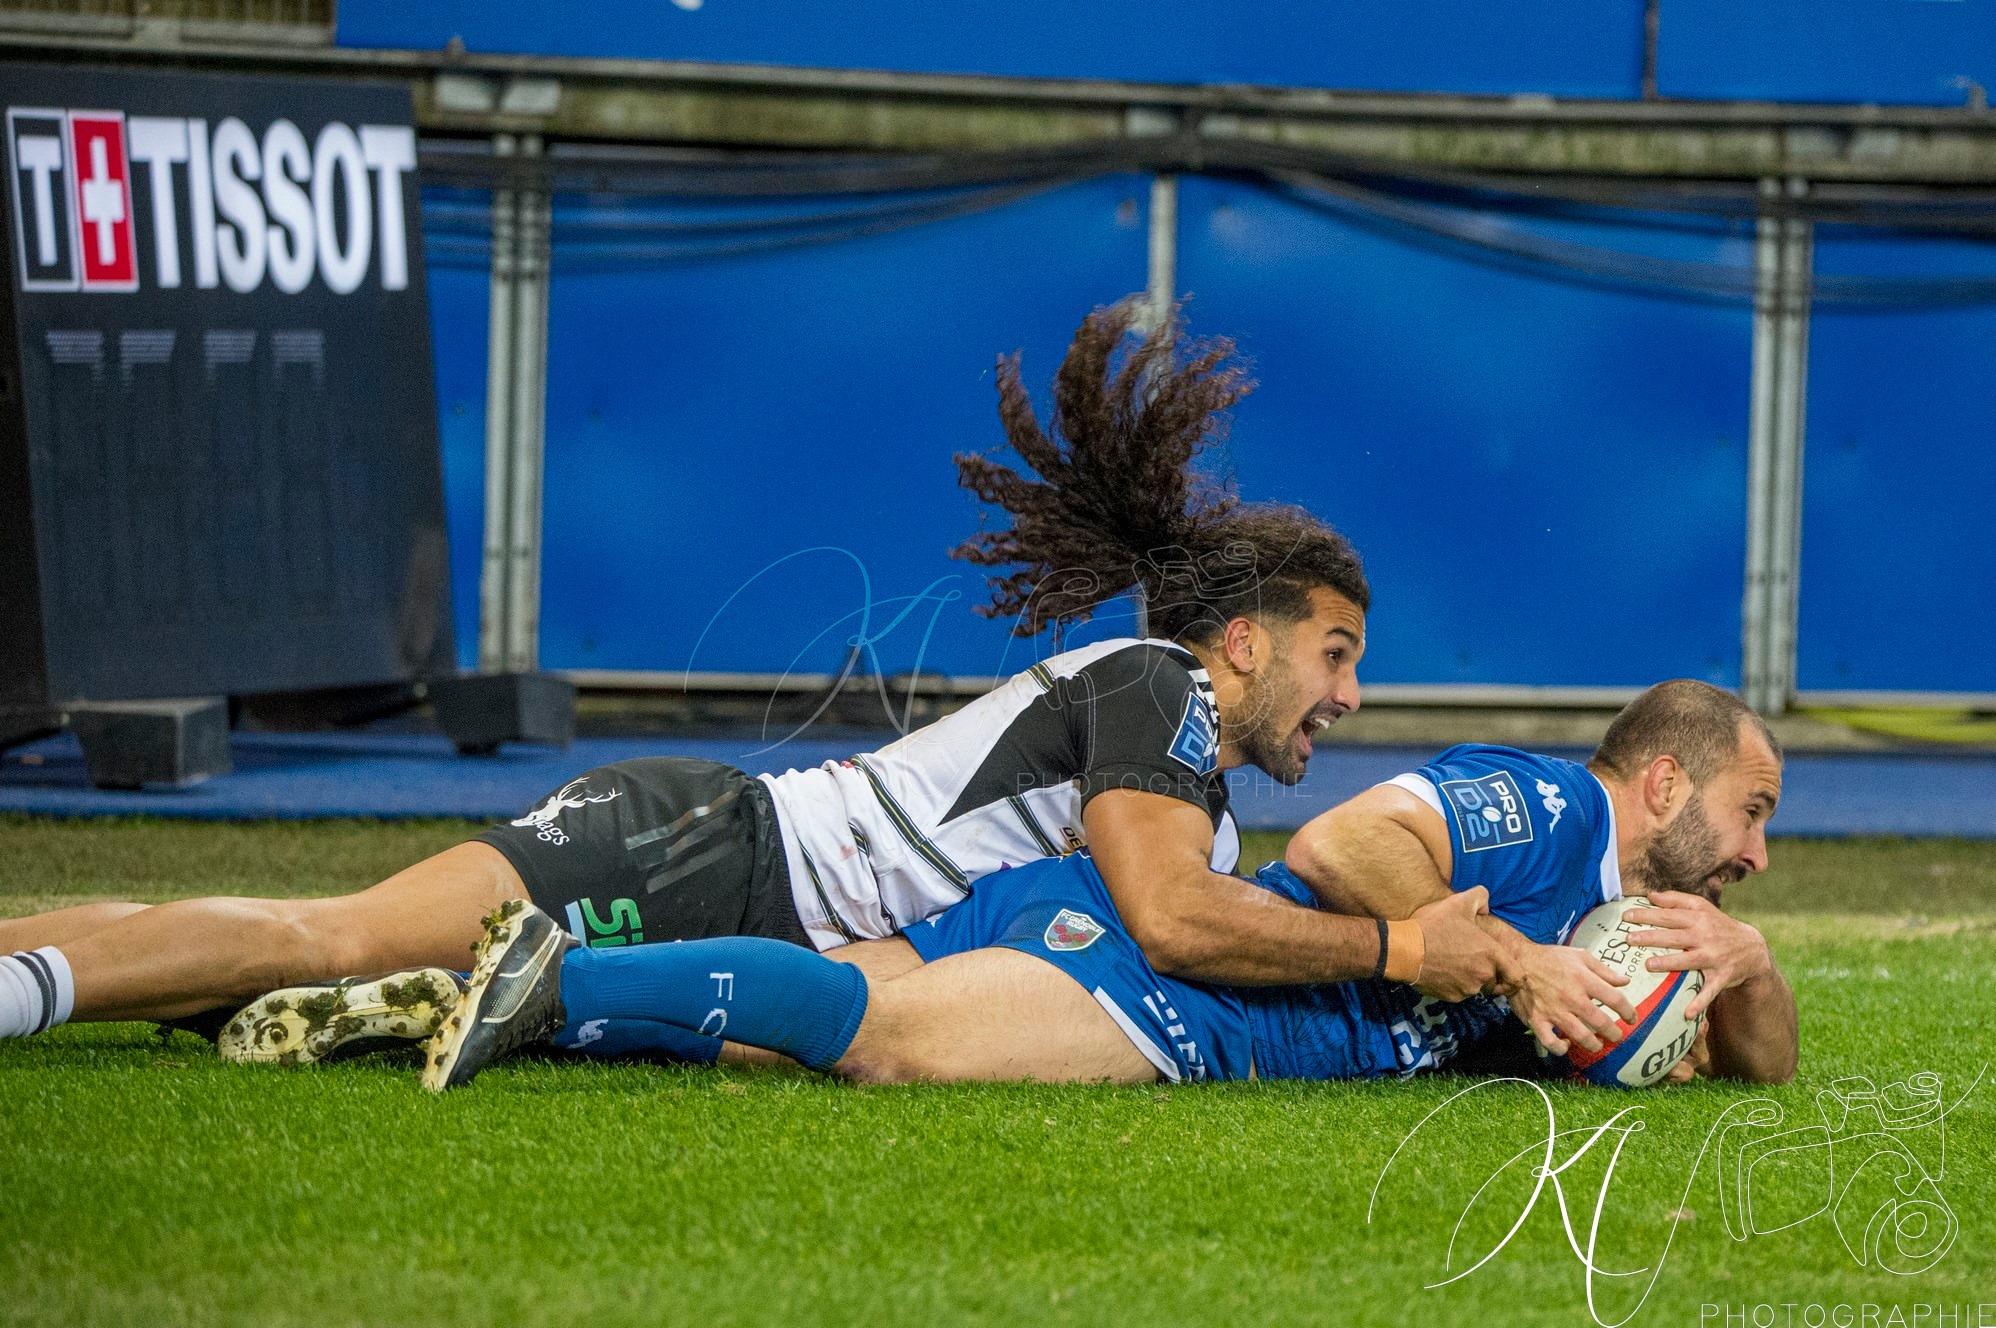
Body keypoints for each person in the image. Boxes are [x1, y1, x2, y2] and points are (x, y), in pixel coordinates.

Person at [0, 298, 1506, 1058]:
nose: (1352, 696)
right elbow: (1177, 925)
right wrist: (1398, 959)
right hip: (699, 860)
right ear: (1244, 640)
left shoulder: (1190, 780)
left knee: (293, 952)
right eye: (1337, 652)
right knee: (321, 941)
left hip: (729, 876)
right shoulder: (1160, 692)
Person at [419, 679, 1797, 1091]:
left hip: (1092, 914)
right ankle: (554, 985)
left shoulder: (1657, 919)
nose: (1757, 854)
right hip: (1209, 994)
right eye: (1752, 811)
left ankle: (437, 992)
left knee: (813, 1023)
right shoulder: (1551, 809)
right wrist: (1512, 958)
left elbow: (1763, 1080)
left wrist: (1757, 969)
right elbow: (1340, 849)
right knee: (891, 1046)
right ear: (1664, 785)